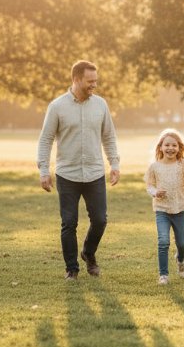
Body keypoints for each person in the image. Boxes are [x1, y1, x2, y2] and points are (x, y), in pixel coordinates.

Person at [37, 60, 121, 280]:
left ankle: (88, 253)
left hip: (94, 173)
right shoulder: (57, 106)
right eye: (89, 81)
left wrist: (114, 164)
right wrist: (44, 170)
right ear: (76, 79)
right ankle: (71, 269)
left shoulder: (101, 105)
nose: (94, 85)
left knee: (100, 220)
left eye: (96, 80)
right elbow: (45, 140)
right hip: (67, 174)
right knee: (69, 223)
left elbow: (109, 137)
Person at [145, 129, 184, 285]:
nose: (170, 148)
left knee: (182, 244)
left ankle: (180, 259)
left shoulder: (183, 165)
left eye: (174, 145)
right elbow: (149, 186)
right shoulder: (154, 166)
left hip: (179, 208)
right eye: (166, 145)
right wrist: (155, 192)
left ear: (179, 148)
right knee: (163, 241)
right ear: (160, 147)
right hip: (162, 209)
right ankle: (163, 275)